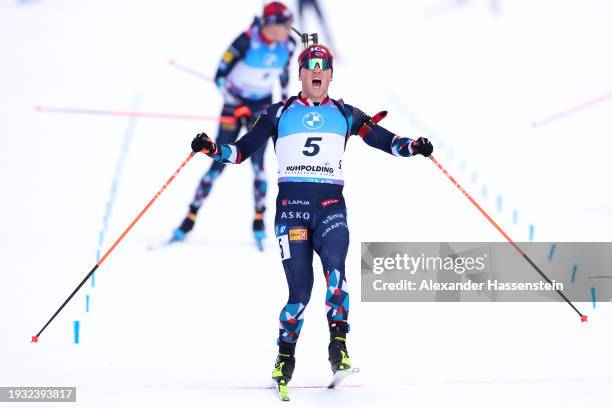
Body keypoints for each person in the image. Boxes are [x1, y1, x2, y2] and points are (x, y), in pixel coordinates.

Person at [189, 44, 433, 393]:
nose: (316, 72)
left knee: (337, 271)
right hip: (292, 213)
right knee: (300, 294)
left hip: (331, 207)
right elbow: (240, 152)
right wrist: (212, 149)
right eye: (309, 67)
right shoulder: (278, 113)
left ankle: (339, 347)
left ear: (331, 75)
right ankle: (285, 357)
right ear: (300, 73)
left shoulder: (346, 113)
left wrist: (414, 146)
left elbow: (385, 140)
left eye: (323, 68)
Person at [172, 1, 297, 249]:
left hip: (262, 106)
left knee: (259, 167)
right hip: (234, 103)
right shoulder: (245, 41)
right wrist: (236, 104)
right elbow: (219, 77)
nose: (289, 30)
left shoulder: (289, 45)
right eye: (286, 25)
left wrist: (284, 102)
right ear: (271, 25)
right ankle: (190, 216)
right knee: (218, 162)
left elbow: (283, 74)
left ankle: (259, 221)